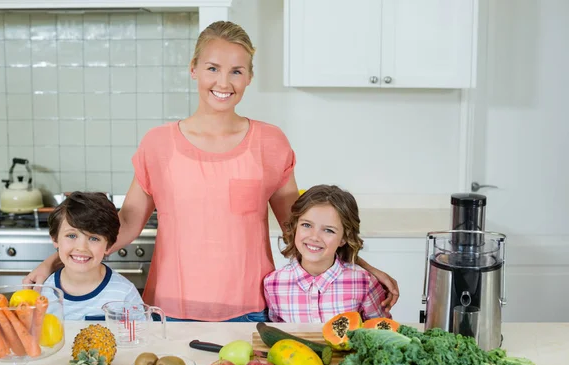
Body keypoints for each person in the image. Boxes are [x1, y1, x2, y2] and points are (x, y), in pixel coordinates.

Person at [25, 21, 398, 321]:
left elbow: (301, 233)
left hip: (250, 309)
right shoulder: (158, 144)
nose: (224, 82)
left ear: (249, 77)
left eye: (236, 71)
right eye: (212, 69)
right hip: (167, 310)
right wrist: (50, 262)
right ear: (193, 70)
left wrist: (361, 268)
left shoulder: (271, 142)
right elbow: (122, 226)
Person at [263, 185, 391, 323]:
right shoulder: (273, 284)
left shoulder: (364, 282)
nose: (314, 237)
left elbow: (382, 330)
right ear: (295, 227)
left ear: (344, 238)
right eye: (306, 225)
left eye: (328, 230)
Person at [41, 192, 143, 320]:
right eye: (72, 236)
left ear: (108, 245)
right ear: (55, 239)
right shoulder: (45, 291)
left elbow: (143, 336)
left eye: (94, 238)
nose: (82, 248)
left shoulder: (125, 294)